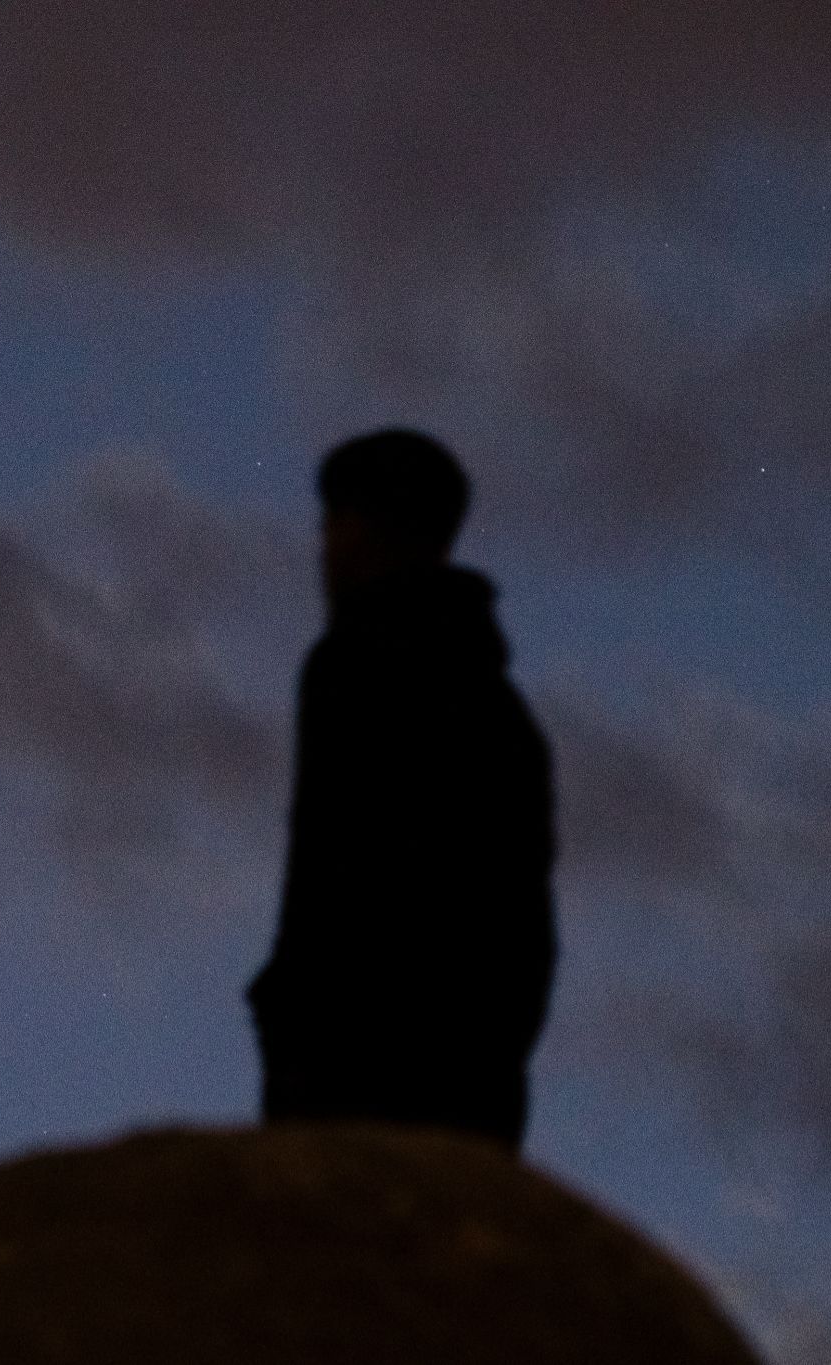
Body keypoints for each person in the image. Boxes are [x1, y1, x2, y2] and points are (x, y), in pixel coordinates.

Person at [246, 429, 557, 1151]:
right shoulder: (507, 718)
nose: (323, 549)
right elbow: (523, 939)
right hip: (470, 1083)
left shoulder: (353, 665)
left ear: (364, 530)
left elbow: (326, 875)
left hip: (360, 1075)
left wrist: (297, 1032)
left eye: (334, 524)